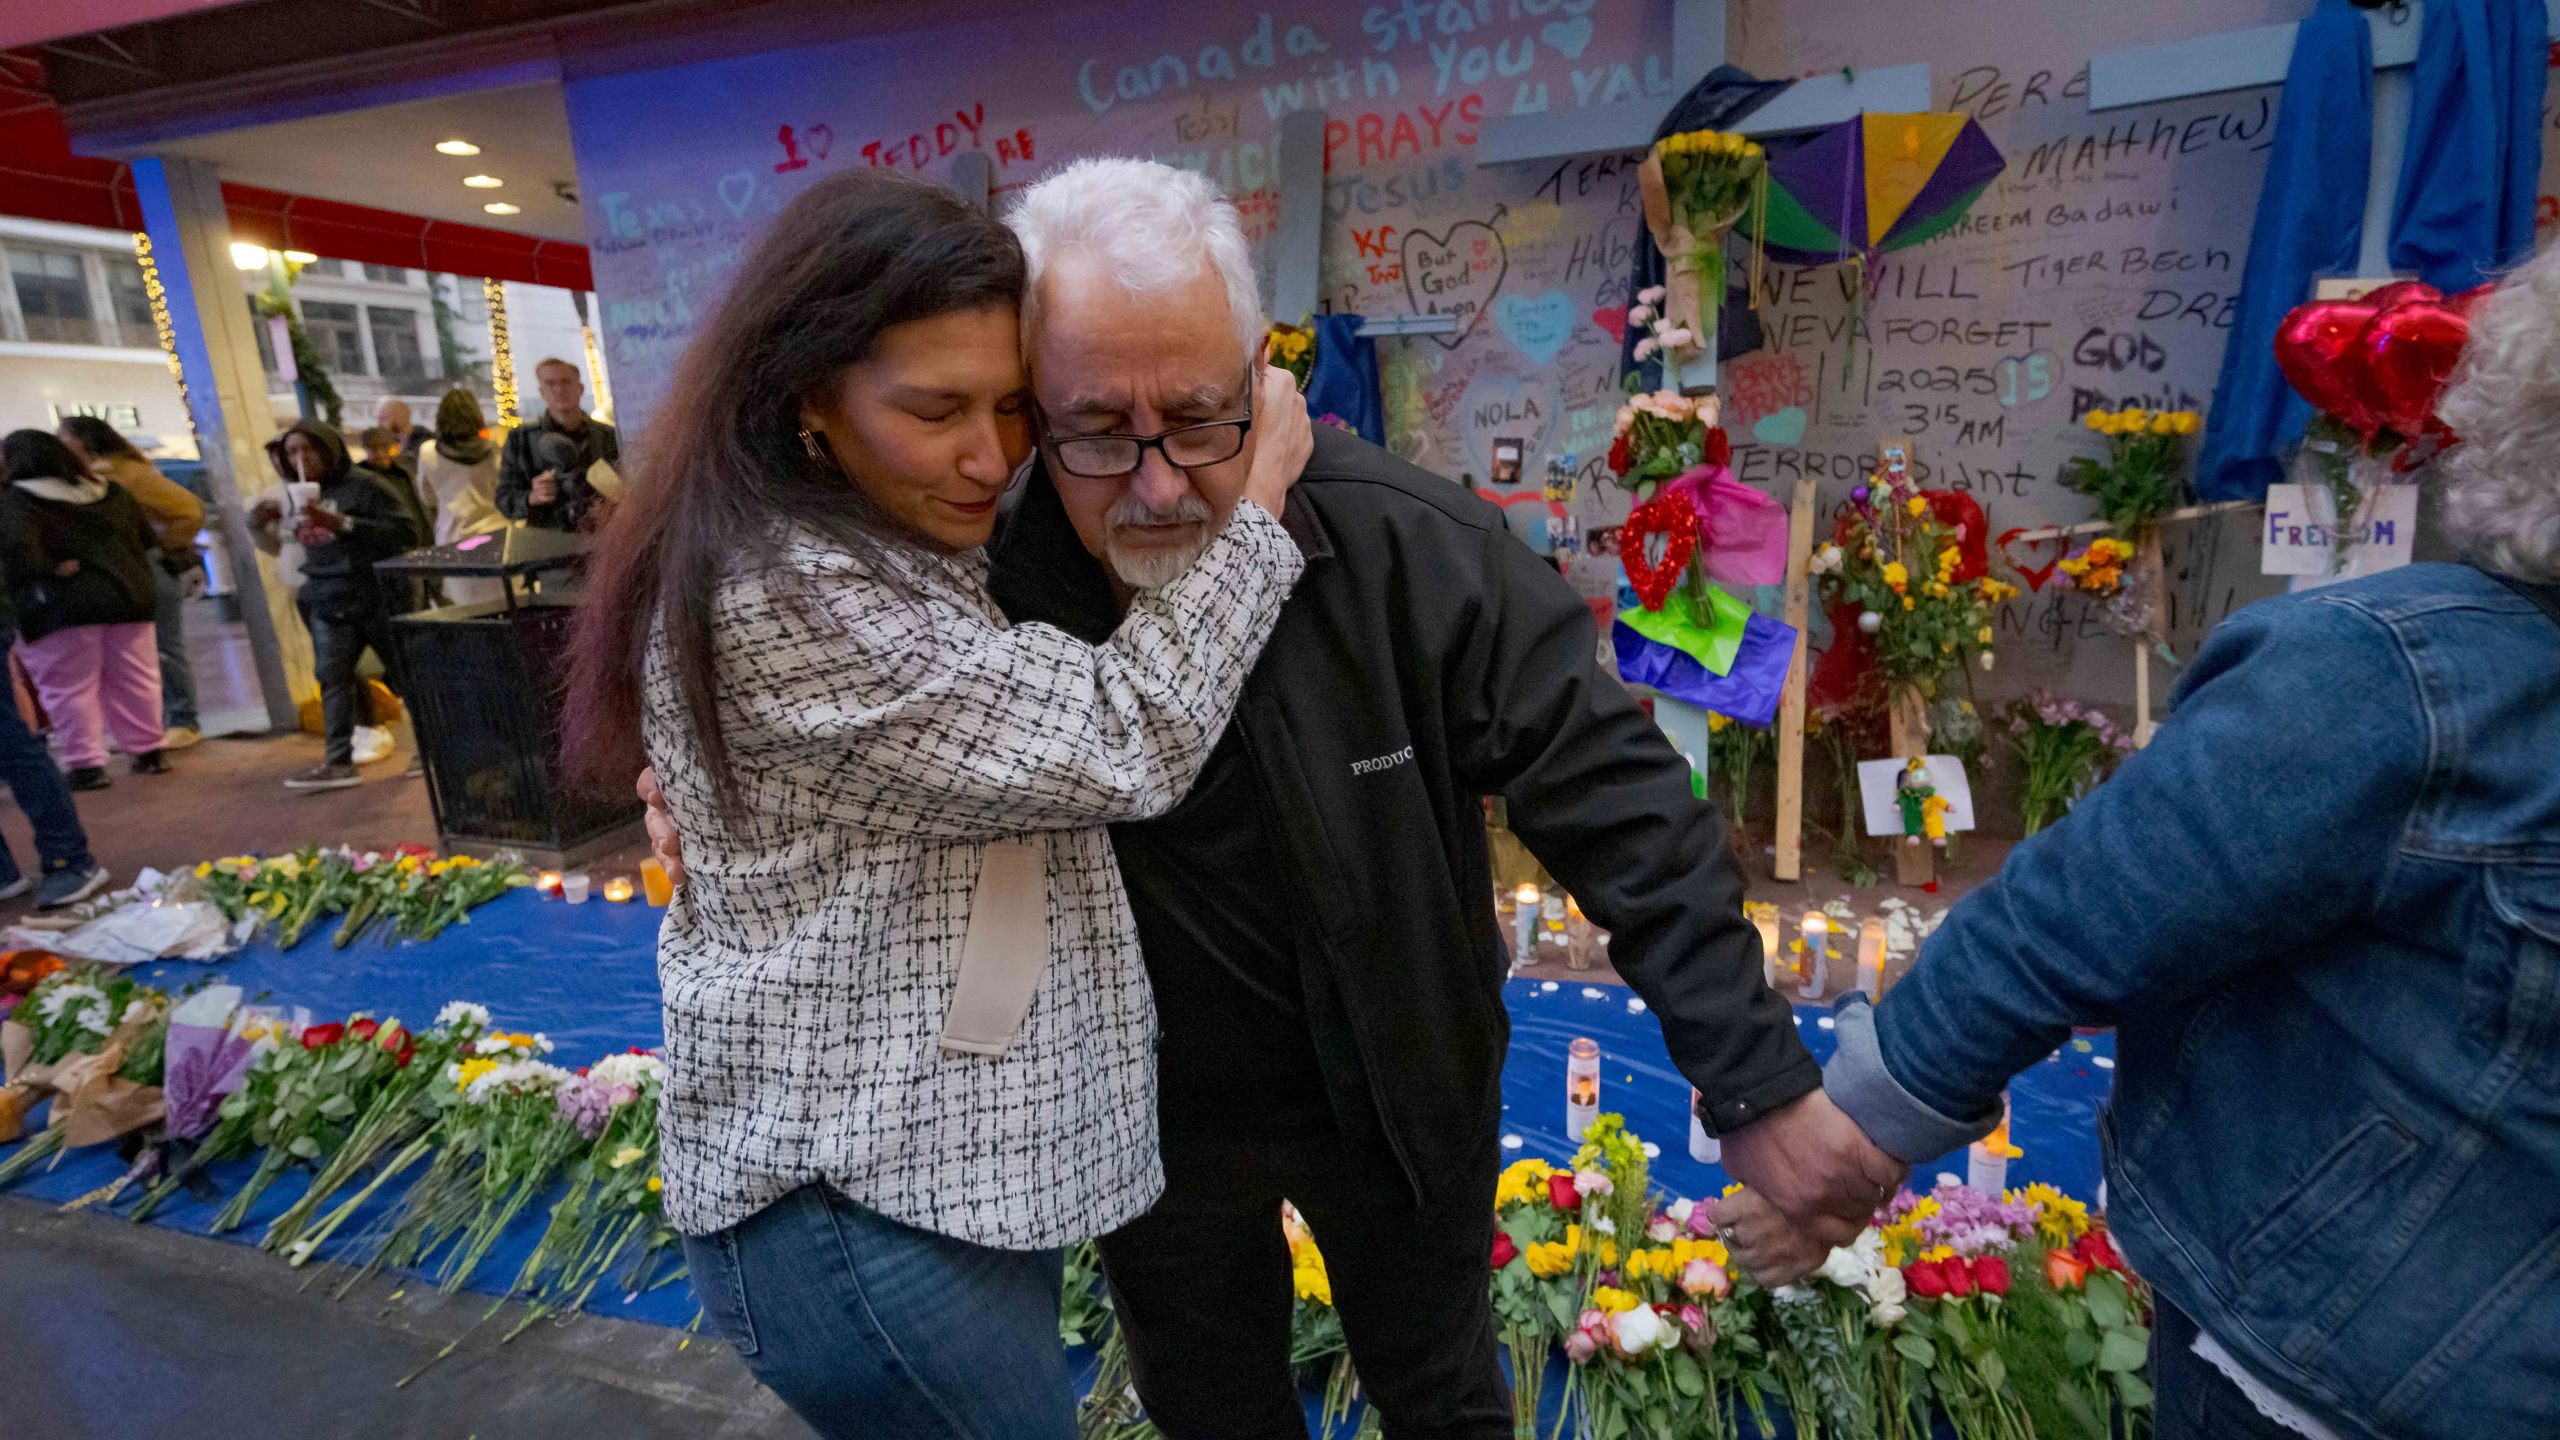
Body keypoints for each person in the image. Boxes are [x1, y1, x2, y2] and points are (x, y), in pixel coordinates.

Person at [643, 158, 1899, 1438]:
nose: (1156, 484)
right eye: (1087, 427)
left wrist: (1751, 1076)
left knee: (1444, 1397)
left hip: (1402, 1100)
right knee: (1213, 1412)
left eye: (1198, 420)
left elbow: (1620, 804)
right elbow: (827, 695)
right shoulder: (987, 562)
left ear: (1266, 383)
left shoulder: (1400, 547)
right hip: (1148, 1130)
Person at [1724, 245, 2560, 1440]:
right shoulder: (2404, 681)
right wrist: (1853, 1137)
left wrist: (1842, 1147)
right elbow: (2076, 914)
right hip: (2331, 1382)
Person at [560, 169, 1313, 1440]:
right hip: (853, 1207)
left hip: (932, 1177)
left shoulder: (884, 533)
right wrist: (1262, 498)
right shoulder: (787, 586)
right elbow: (1119, 733)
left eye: (1017, 409)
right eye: (937, 410)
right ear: (807, 396)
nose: (991, 457)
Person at [249, 421, 423, 791]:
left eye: (308, 449)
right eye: (292, 452)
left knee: (407, 676)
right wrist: (263, 522)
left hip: (378, 594)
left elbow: (406, 534)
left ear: (329, 450)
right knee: (332, 678)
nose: (300, 458)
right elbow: (285, 543)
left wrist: (342, 523)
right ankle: (338, 761)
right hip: (327, 593)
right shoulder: (291, 494)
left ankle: (430, 751)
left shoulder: (367, 486)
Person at [0, 430, 168, 789]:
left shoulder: (17, 501)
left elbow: (17, 552)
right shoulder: (114, 493)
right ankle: (149, 751)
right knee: (137, 678)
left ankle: (87, 764)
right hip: (128, 598)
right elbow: (146, 539)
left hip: (60, 607)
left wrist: (50, 568)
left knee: (69, 687)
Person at [55, 415, 204, 750]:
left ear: (84, 440)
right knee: (136, 652)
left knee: (164, 646)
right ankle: (155, 725)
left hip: (145, 567)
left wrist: (159, 545)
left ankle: (183, 721)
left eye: (63, 437)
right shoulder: (95, 477)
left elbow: (190, 510)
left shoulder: (123, 473)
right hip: (125, 570)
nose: (58, 443)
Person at [497, 357, 619, 532]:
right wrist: (532, 497)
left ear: (580, 388)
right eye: (550, 384)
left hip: (600, 538)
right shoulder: (521, 440)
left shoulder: (607, 436)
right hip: (546, 542)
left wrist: (609, 505)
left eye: (566, 382)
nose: (559, 390)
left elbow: (627, 490)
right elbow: (504, 500)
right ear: (542, 392)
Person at [415, 388, 510, 606]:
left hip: (453, 537)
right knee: (502, 604)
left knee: (465, 608)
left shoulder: (428, 452)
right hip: (496, 535)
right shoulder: (493, 450)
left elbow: (426, 497)